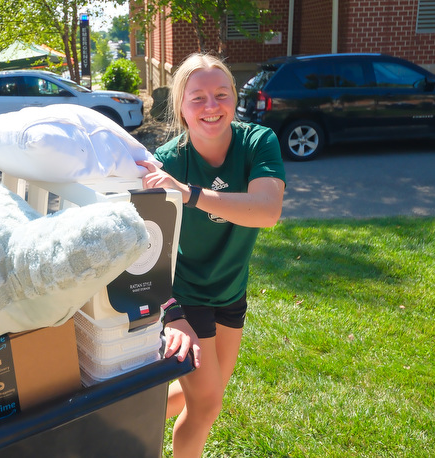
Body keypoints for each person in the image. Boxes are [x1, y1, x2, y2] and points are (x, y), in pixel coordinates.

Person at [136, 53, 286, 458]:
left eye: (221, 95)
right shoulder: (166, 163)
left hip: (230, 292)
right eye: (197, 97)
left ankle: (119, 421)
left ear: (234, 99)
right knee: (206, 405)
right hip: (185, 297)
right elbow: (142, 255)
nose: (211, 106)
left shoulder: (257, 142)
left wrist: (191, 194)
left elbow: (267, 211)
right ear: (181, 107)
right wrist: (172, 314)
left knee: (202, 393)